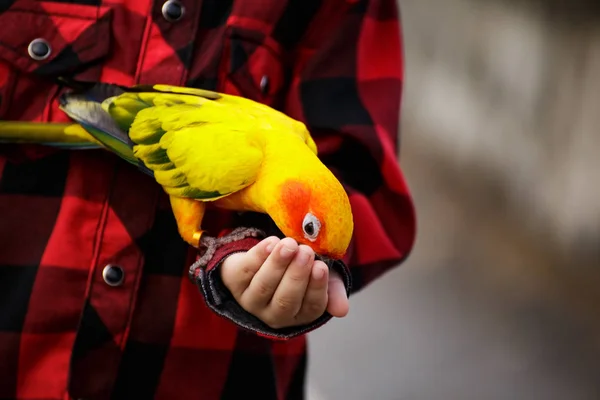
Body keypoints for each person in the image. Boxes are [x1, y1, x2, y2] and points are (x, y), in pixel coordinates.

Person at [0, 0, 415, 398]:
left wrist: (277, 268)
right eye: (309, 230)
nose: (309, 252)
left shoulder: (301, 143)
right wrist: (206, 241)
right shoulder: (239, 165)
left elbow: (361, 176)